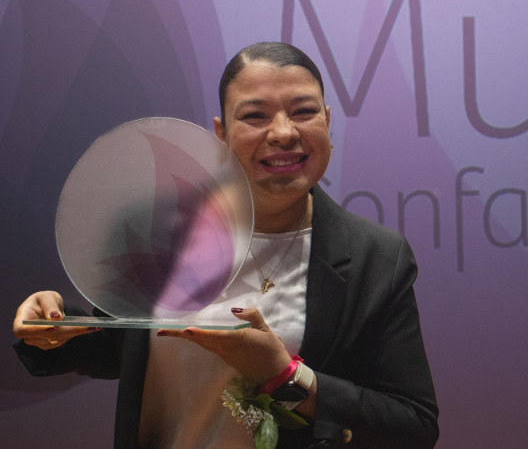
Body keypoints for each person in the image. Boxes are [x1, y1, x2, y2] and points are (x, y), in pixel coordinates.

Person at [12, 42, 439, 449]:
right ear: (221, 134)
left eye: (304, 112)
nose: (283, 132)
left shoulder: (376, 258)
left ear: (327, 122)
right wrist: (55, 327)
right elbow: (119, 348)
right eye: (255, 116)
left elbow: (413, 426)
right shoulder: (164, 235)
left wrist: (284, 376)